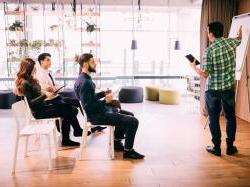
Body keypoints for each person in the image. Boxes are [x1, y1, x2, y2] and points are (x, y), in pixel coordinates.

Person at [74, 53, 144, 159]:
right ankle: (128, 151)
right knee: (133, 121)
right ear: (85, 64)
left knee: (129, 114)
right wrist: (105, 101)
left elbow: (89, 99)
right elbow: (88, 106)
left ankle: (116, 142)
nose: (95, 63)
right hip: (97, 115)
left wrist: (103, 93)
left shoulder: (82, 79)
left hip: (98, 112)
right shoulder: (85, 82)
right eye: (92, 62)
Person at [189, 22, 242, 156]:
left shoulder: (210, 51)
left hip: (213, 90)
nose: (207, 34)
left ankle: (216, 148)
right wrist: (239, 32)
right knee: (230, 117)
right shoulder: (231, 43)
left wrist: (193, 67)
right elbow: (239, 40)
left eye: (208, 31)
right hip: (228, 88)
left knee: (213, 118)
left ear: (211, 33)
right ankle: (230, 147)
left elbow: (205, 74)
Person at [15, 58, 82, 146]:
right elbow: (31, 103)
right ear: (28, 68)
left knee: (71, 109)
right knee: (67, 108)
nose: (35, 69)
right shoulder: (25, 83)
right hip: (39, 112)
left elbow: (36, 94)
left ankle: (68, 136)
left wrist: (46, 91)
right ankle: (74, 132)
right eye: (33, 67)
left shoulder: (31, 80)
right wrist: (45, 95)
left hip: (43, 106)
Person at [36, 52, 106, 134]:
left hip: (56, 97)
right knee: (77, 104)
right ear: (41, 61)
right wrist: (50, 89)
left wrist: (60, 87)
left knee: (79, 102)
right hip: (50, 100)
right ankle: (85, 127)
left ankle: (90, 126)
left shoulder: (48, 72)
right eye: (48, 60)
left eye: (50, 60)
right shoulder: (40, 74)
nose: (50, 62)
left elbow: (55, 85)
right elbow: (42, 89)